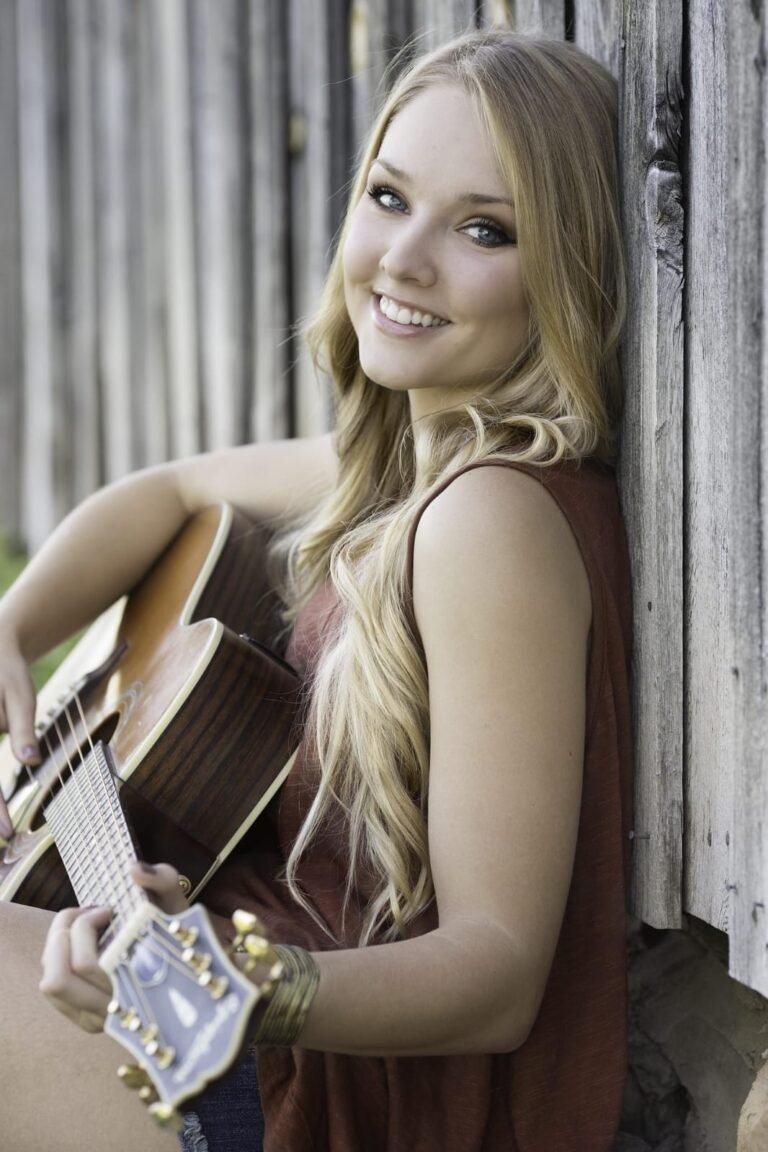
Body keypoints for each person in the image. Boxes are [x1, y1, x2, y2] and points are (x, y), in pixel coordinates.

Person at [0, 28, 633, 1152]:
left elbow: (497, 972)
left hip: (334, 1093)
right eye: (389, 198)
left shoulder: (491, 520)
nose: (405, 259)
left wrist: (239, 980)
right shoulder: (409, 475)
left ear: (566, 271)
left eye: (484, 229)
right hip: (255, 1011)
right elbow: (172, 488)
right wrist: (14, 627)